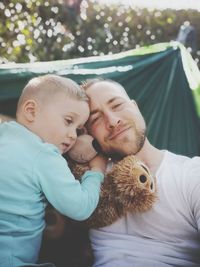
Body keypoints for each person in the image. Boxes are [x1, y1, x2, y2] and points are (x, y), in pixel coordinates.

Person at [82, 78, 200, 267]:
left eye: (117, 105)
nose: (112, 121)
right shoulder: (89, 184)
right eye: (96, 119)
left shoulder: (191, 174)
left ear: (135, 107)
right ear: (88, 134)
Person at [0, 75, 106, 267]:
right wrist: (97, 170)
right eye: (68, 121)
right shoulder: (44, 154)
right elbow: (80, 207)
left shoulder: (4, 132)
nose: (73, 135)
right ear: (31, 111)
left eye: (79, 129)